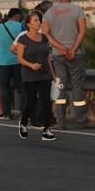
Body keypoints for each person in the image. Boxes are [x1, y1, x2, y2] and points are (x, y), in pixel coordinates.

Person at [43, 0, 94, 130]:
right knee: (77, 87)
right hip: (75, 55)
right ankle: (81, 120)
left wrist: (60, 48)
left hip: (58, 55)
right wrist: (73, 49)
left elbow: (46, 33)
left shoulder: (50, 12)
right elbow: (83, 31)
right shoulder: (77, 9)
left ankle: (60, 121)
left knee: (60, 87)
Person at [15, 11, 56, 141]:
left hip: (45, 74)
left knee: (46, 102)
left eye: (39, 20)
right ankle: (23, 122)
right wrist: (31, 65)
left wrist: (54, 75)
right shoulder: (23, 39)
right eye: (35, 21)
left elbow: (48, 57)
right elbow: (19, 59)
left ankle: (47, 129)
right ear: (28, 24)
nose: (38, 23)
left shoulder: (44, 37)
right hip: (29, 74)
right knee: (31, 101)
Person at [0, 8, 25, 119]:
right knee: (21, 88)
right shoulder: (20, 26)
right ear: (17, 16)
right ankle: (23, 113)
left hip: (3, 62)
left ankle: (7, 113)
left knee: (4, 89)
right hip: (18, 61)